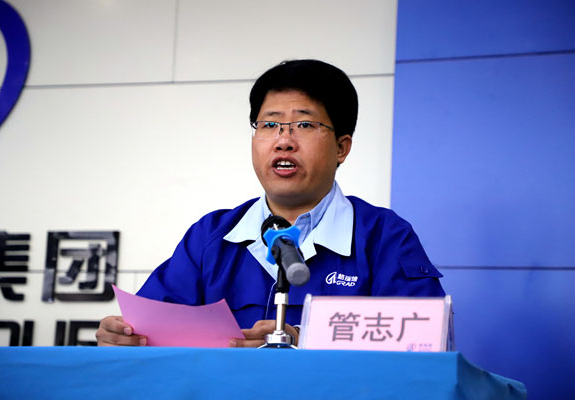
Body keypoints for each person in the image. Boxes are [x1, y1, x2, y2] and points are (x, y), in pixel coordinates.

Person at [96, 59, 444, 348]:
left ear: (341, 147)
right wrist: (125, 337)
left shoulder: (384, 237)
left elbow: (423, 346)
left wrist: (307, 344)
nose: (283, 141)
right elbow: (152, 331)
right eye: (269, 124)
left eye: (304, 124)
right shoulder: (211, 237)